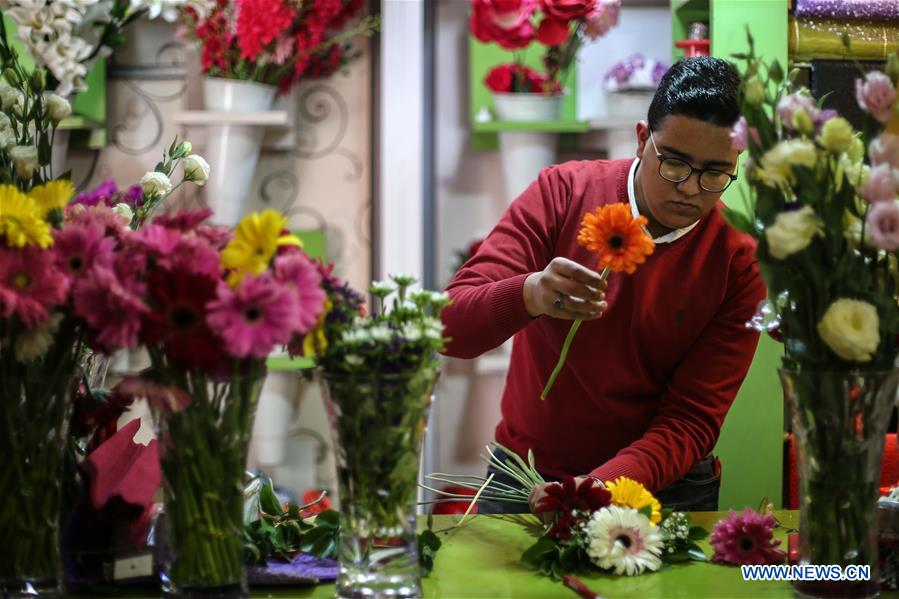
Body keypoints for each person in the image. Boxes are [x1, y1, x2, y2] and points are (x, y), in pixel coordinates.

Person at [440, 56, 766, 513]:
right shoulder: (563, 193)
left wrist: (595, 490)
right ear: (640, 140)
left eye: (714, 173)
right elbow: (449, 326)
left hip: (660, 488)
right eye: (674, 163)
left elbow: (691, 420)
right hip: (527, 473)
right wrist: (529, 294)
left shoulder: (738, 261)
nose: (690, 188)